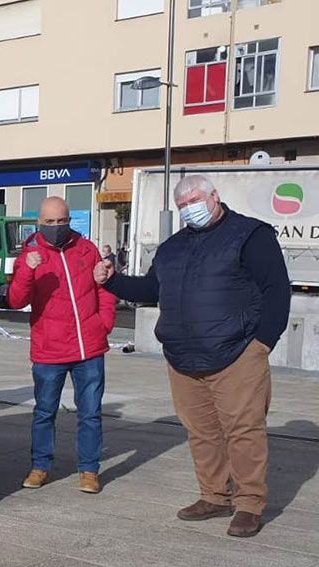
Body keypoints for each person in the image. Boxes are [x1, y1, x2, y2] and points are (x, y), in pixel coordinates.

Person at [95, 174, 290, 538]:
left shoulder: (250, 235)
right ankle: (214, 495)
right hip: (183, 357)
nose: (190, 209)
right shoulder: (172, 248)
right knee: (201, 432)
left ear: (215, 196)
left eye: (195, 200)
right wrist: (112, 280)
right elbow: (151, 289)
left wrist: (263, 342)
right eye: (182, 205)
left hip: (237, 353)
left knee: (243, 430)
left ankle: (248, 503)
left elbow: (277, 290)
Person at [7, 197, 115, 494]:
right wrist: (28, 270)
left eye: (62, 221)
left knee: (90, 413)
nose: (57, 227)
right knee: (44, 412)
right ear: (39, 223)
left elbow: (103, 287)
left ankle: (89, 470)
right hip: (49, 350)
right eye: (50, 222)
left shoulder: (86, 249)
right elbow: (16, 300)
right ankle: (40, 466)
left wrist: (103, 322)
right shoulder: (29, 254)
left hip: (88, 349)